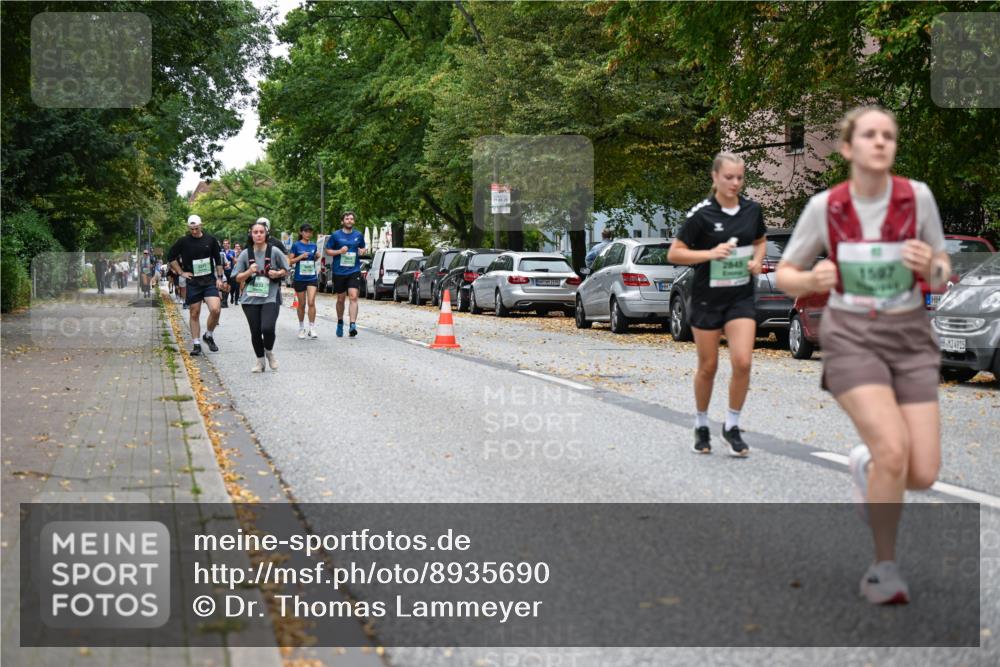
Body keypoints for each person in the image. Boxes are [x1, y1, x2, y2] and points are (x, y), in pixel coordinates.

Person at [775, 106, 949, 605]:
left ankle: (865, 464)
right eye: (869, 135)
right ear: (849, 148)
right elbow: (786, 272)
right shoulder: (826, 207)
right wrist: (811, 280)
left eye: (889, 136)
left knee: (922, 473)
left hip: (910, 335)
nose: (880, 143)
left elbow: (940, 268)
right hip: (851, 335)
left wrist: (930, 266)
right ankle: (883, 568)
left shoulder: (917, 199)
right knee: (896, 449)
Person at [667, 152, 766, 457]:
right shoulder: (701, 214)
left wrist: (757, 262)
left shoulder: (752, 210)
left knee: (743, 361)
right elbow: (675, 254)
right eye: (728, 177)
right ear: (715, 178)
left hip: (740, 296)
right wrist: (710, 254)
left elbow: (760, 240)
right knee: (708, 367)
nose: (735, 183)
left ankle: (732, 425)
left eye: (739, 177)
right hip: (708, 298)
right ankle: (700, 423)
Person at [233, 221, 290, 372]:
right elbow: (237, 277)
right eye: (255, 232)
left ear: (266, 234)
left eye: (261, 232)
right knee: (256, 331)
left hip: (270, 296)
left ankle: (269, 352)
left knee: (268, 328)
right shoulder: (245, 253)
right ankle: (260, 362)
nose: (258, 235)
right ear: (251, 235)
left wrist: (277, 273)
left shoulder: (275, 251)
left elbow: (287, 269)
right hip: (250, 299)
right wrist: (248, 272)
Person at [167, 214, 227, 355]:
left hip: (209, 281)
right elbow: (170, 257)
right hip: (193, 281)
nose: (194, 231)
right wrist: (181, 272)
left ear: (201, 225)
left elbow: (218, 260)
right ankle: (196, 344)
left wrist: (219, 278)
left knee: (215, 309)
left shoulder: (211, 240)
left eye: (196, 228)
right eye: (191, 229)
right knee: (194, 312)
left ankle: (209, 335)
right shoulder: (183, 242)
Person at [324, 211, 367, 337]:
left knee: (353, 297)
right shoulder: (336, 235)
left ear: (353, 221)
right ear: (342, 221)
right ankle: (340, 321)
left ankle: (353, 324)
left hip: (354, 270)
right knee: (341, 299)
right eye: (347, 219)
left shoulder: (358, 235)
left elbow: (363, 248)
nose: (349, 221)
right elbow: (328, 251)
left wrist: (363, 251)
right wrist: (339, 251)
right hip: (339, 271)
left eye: (351, 219)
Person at [289, 223, 321, 339]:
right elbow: (290, 261)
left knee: (311, 302)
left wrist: (317, 256)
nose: (308, 234)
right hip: (300, 278)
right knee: (301, 304)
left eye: (310, 232)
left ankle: (312, 328)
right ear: (301, 233)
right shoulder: (296, 245)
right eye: (306, 231)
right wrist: (300, 257)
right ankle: (301, 327)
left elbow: (314, 259)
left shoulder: (313, 245)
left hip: (312, 277)